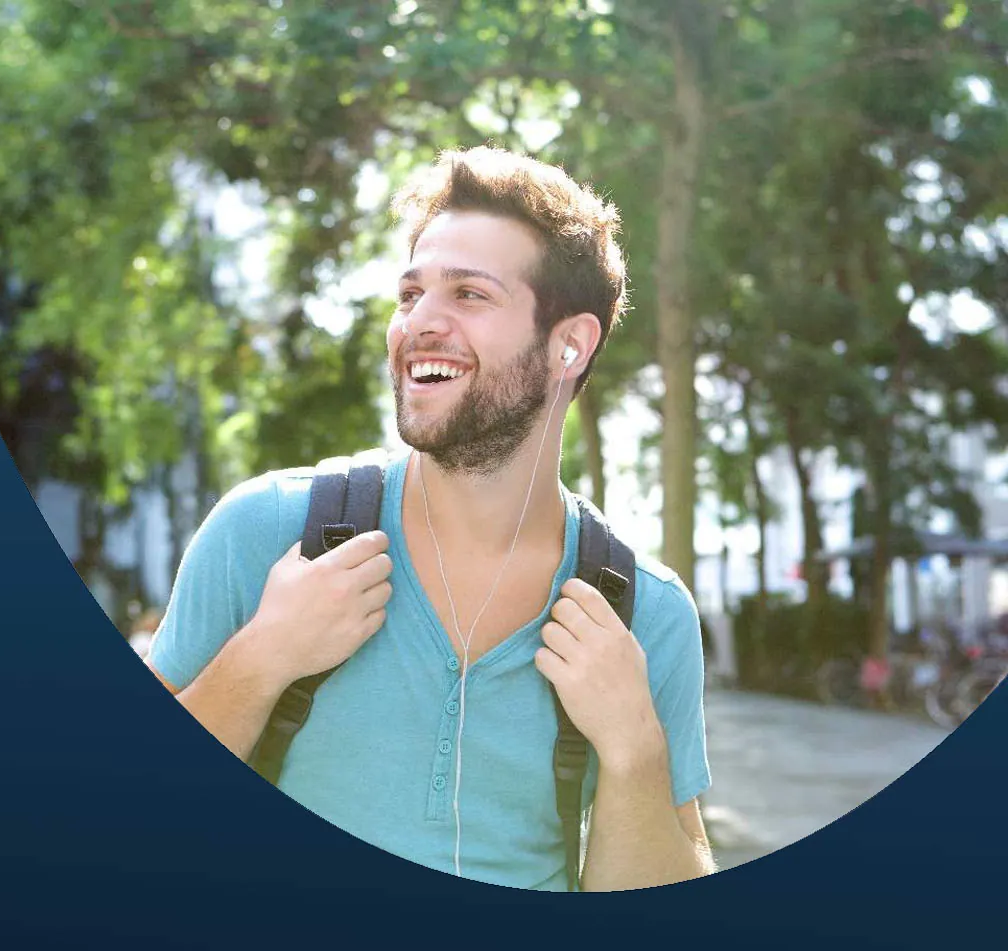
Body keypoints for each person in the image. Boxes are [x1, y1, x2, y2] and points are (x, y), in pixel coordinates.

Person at [146, 146, 714, 891]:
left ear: (570, 344)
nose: (420, 323)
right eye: (411, 293)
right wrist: (260, 659)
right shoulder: (266, 534)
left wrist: (635, 750)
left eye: (469, 295)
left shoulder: (648, 616)